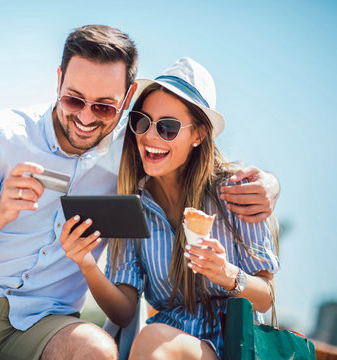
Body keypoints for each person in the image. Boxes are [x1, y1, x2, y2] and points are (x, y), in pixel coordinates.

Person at [0, 26, 279, 360]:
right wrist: (1, 209)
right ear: (58, 80)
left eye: (103, 106)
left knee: (97, 351)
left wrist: (269, 186)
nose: (85, 116)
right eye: (73, 99)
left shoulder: (134, 151)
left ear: (123, 102)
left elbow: (195, 162)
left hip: (45, 322)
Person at [60, 57, 280, 359]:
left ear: (199, 134)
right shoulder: (133, 205)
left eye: (168, 128)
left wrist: (227, 274)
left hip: (229, 348)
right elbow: (124, 312)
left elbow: (266, 298)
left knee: (153, 340)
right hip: (158, 344)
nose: (150, 136)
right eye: (141, 121)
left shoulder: (237, 192)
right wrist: (86, 263)